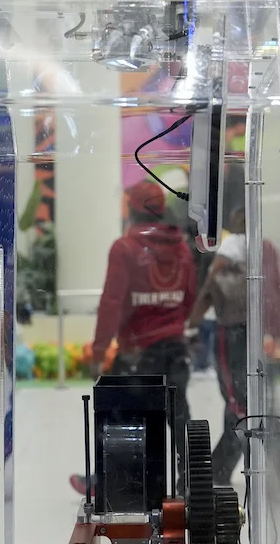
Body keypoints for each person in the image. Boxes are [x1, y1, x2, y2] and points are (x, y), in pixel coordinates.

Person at [75, 180, 199, 492]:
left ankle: (109, 482)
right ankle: (191, 479)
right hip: (175, 347)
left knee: (116, 413)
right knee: (179, 411)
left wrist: (101, 350)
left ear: (131, 209)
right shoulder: (182, 248)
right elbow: (190, 298)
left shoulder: (125, 248)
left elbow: (112, 302)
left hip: (138, 353)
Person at [186, 207, 253, 485]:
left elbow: (211, 286)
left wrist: (192, 324)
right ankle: (221, 466)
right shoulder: (266, 245)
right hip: (256, 331)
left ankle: (220, 467)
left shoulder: (233, 244)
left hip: (230, 331)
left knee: (236, 400)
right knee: (243, 400)